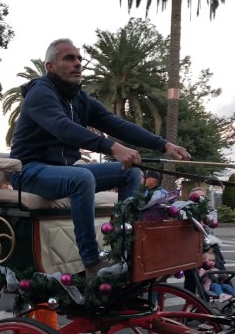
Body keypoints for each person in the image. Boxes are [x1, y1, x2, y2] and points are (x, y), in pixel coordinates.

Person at [10, 38, 190, 278]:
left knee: (131, 173)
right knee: (82, 177)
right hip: (29, 172)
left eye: (79, 58)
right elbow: (62, 127)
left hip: (62, 173)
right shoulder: (40, 92)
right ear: (50, 66)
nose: (78, 64)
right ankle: (92, 262)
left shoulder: (80, 99)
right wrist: (112, 148)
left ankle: (125, 250)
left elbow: (116, 124)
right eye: (69, 58)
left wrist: (163, 144)